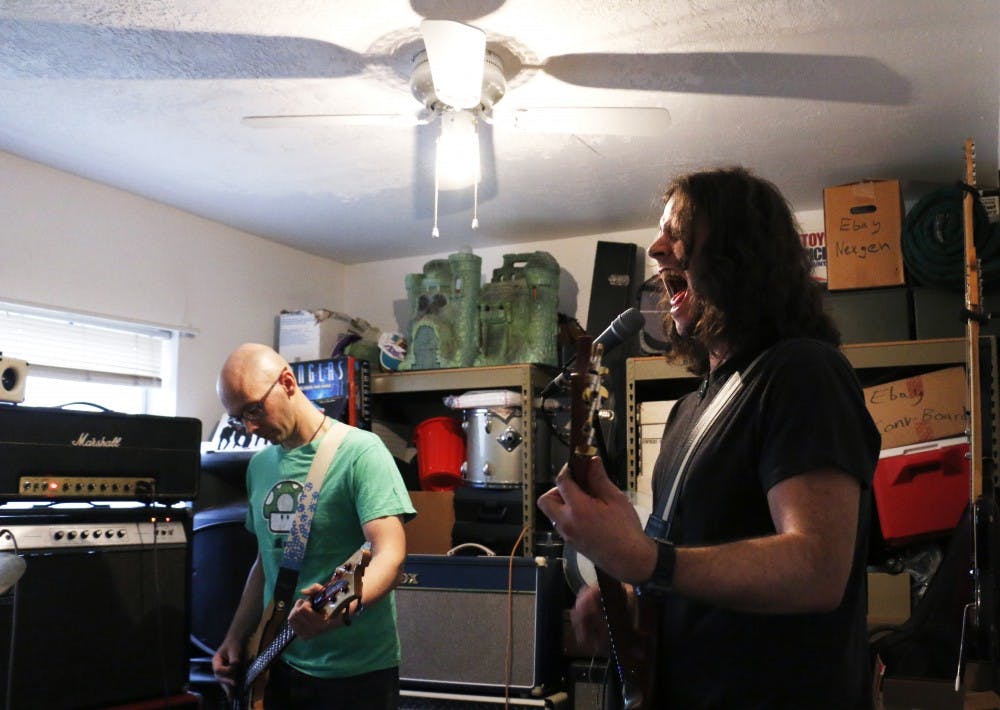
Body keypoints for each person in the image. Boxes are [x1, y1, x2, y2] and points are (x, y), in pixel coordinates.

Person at [538, 167, 881, 708]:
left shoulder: (802, 371)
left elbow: (818, 570)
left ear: (738, 255)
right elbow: (690, 561)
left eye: (678, 232)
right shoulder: (687, 411)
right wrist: (629, 599)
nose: (655, 249)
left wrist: (646, 561)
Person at [212, 343, 415, 709]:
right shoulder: (259, 467)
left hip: (357, 673)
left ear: (287, 382)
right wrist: (236, 636)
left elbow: (390, 554)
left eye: (254, 409)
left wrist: (335, 605)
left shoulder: (361, 452)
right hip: (280, 661)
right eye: (238, 418)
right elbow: (266, 563)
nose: (250, 427)